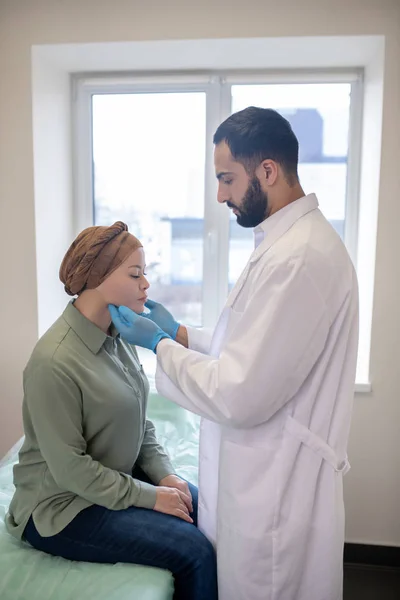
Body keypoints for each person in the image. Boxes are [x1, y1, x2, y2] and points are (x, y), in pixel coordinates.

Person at [110, 107, 359, 600]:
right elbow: (251, 347)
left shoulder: (300, 258)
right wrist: (179, 333)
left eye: (227, 179)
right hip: (266, 474)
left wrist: (157, 345)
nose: (220, 194)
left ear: (267, 171)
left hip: (277, 491)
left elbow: (241, 391)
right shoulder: (284, 244)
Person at [5, 221, 218, 600]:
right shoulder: (53, 362)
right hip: (63, 507)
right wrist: (152, 497)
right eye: (135, 274)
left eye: (145, 274)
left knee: (214, 517)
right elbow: (71, 470)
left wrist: (165, 475)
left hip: (110, 478)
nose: (146, 285)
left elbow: (140, 419)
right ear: (98, 278)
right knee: (196, 551)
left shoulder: (117, 336)